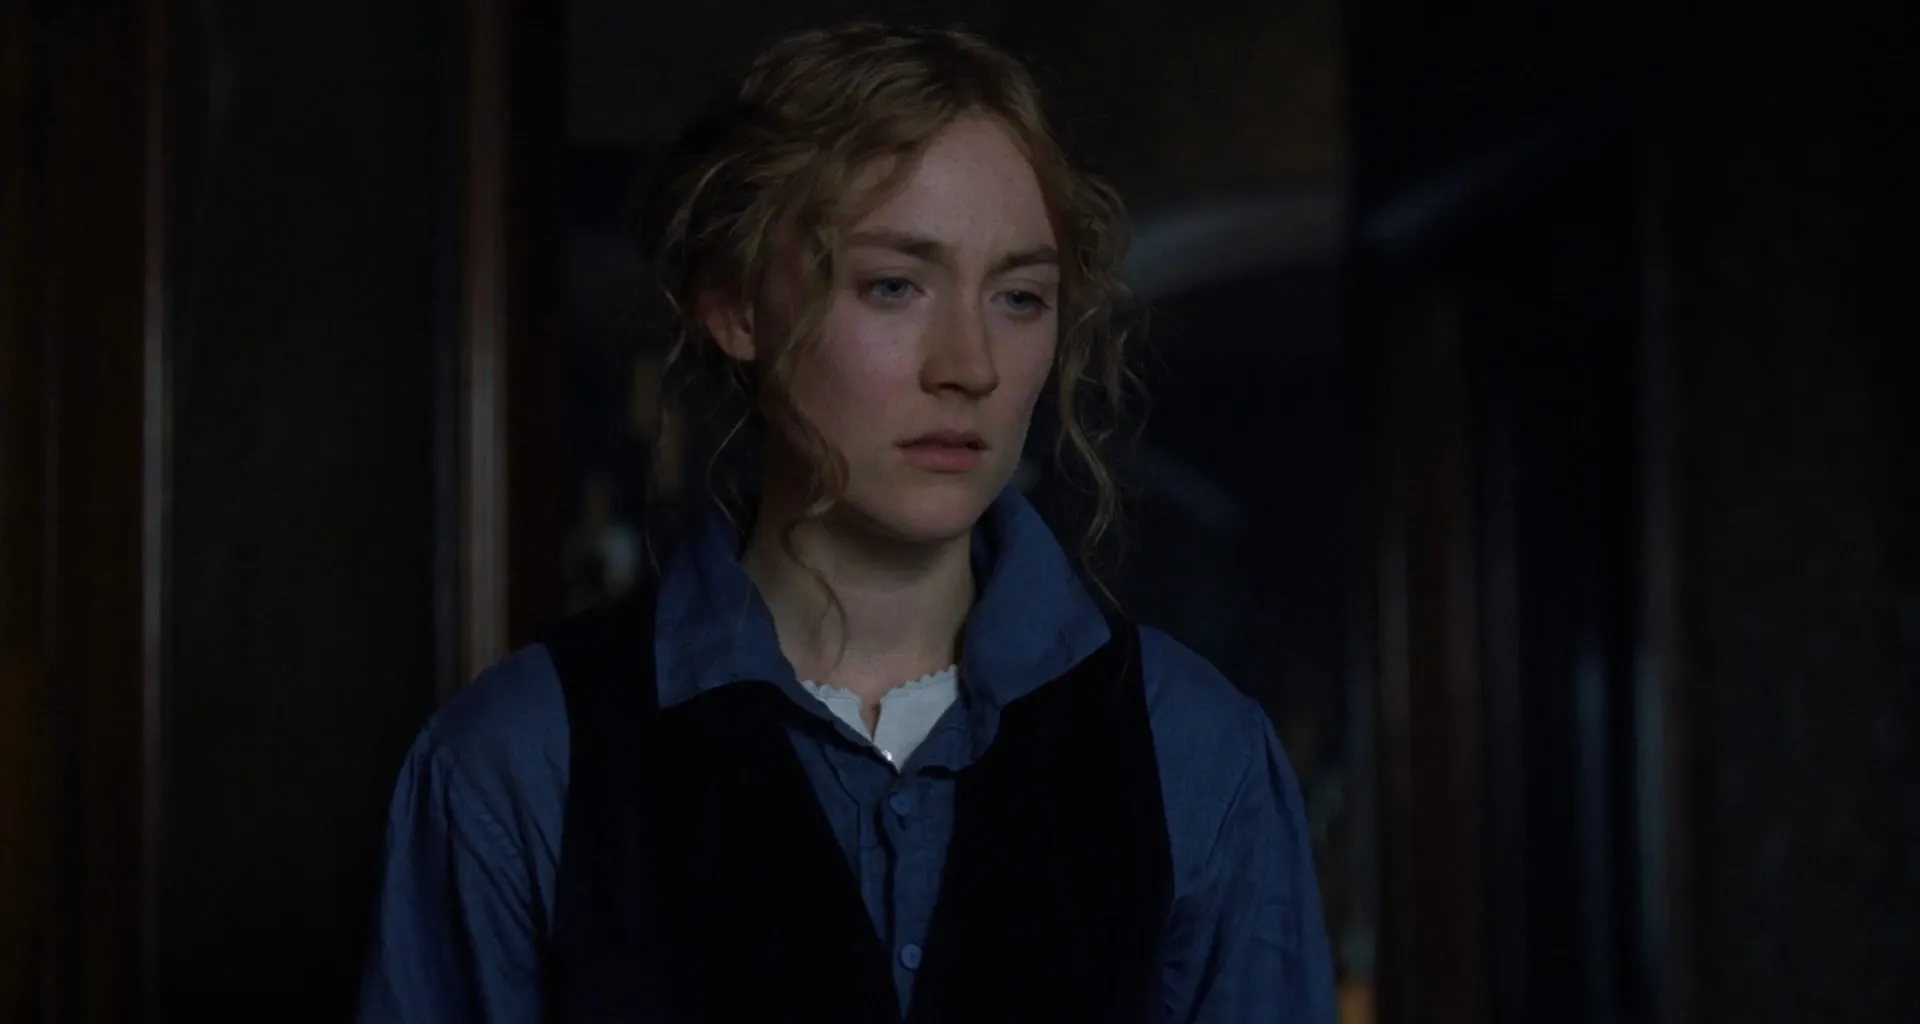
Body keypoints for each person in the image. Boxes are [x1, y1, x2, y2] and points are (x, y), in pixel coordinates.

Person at [359, 21, 1334, 1023]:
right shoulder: (521, 758)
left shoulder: (1194, 751)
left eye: (1019, 297)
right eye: (893, 286)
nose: (970, 366)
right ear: (738, 306)